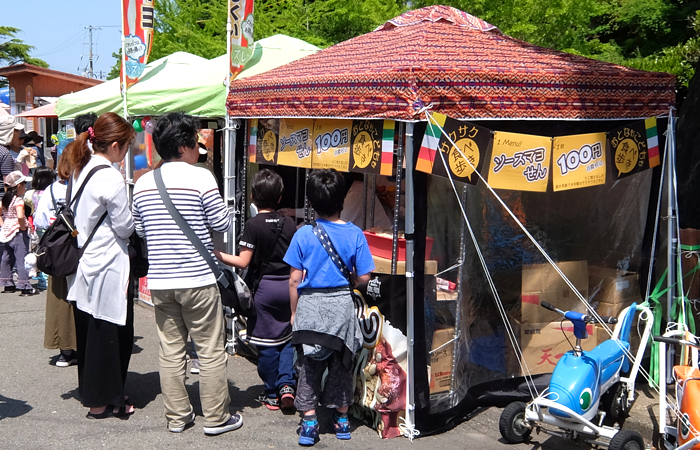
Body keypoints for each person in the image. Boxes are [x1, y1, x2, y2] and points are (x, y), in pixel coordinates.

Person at [132, 112, 242, 435]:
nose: (198, 148)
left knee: (171, 351)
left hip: (162, 282)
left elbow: (140, 229)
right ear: (183, 146)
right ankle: (216, 418)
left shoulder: (142, 184)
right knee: (209, 350)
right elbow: (222, 224)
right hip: (198, 280)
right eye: (195, 142)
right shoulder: (202, 178)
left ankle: (178, 418)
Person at [283, 168, 375, 445]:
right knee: (341, 365)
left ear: (311, 202)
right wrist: (349, 284)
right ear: (342, 200)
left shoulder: (302, 234)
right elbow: (364, 277)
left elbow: (294, 279)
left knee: (309, 365)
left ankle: (310, 423)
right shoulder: (355, 234)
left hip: (310, 306)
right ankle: (343, 420)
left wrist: (294, 312)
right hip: (342, 307)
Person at [63, 112, 136, 419]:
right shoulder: (110, 176)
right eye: (129, 145)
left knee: (91, 334)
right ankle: (104, 401)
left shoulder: (82, 166)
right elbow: (124, 227)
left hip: (86, 261)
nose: (129, 151)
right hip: (108, 263)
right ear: (116, 145)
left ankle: (94, 394)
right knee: (109, 335)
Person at [215, 168, 297, 411]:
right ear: (280, 197)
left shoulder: (252, 225)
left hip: (264, 290)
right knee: (286, 338)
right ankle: (287, 386)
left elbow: (243, 262)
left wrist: (216, 254)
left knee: (266, 343)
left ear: (252, 196)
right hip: (289, 287)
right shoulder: (290, 223)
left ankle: (272, 391)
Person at [35, 159, 77, 367]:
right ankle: (79, 343)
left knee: (58, 297)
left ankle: (64, 349)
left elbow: (40, 221)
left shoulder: (51, 190)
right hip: (79, 248)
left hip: (58, 251)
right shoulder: (80, 188)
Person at [0, 170, 37, 296]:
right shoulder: (18, 201)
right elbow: (21, 216)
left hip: (7, 232)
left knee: (7, 256)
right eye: (24, 184)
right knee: (22, 258)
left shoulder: (5, 200)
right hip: (18, 232)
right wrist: (22, 227)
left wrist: (4, 225)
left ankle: (7, 282)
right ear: (18, 186)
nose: (26, 187)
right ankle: (24, 285)